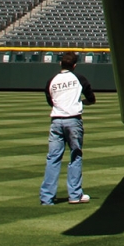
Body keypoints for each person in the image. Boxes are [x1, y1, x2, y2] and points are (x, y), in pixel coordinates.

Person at [40, 51, 95, 205]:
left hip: (56, 120)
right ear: (74, 65)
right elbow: (91, 98)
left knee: (53, 158)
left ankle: (46, 197)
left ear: (60, 64)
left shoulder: (52, 80)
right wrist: (81, 102)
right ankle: (75, 195)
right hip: (73, 120)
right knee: (75, 156)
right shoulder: (78, 78)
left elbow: (50, 101)